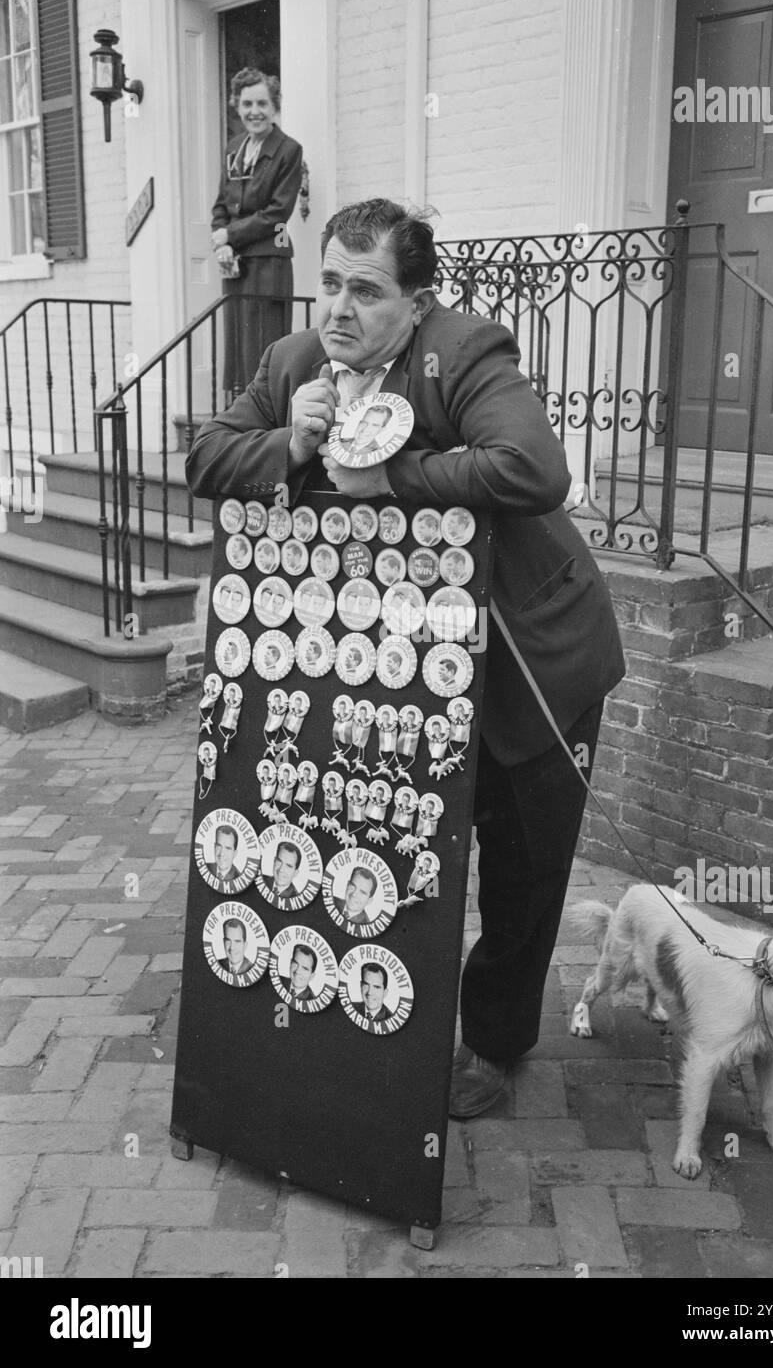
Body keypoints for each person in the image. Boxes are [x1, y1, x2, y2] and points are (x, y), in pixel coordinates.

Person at [188, 197, 625, 1118]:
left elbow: (534, 469)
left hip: (531, 662)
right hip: (400, 675)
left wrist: (394, 475)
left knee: (523, 869)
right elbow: (205, 457)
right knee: (401, 848)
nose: (339, 310)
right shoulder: (293, 362)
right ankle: (382, 1020)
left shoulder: (463, 353)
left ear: (418, 300)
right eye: (330, 286)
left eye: (368, 291)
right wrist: (293, 441)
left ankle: (497, 1045)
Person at [211, 67, 303, 395]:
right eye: (247, 104)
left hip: (269, 263)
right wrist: (220, 242)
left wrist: (230, 236)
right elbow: (221, 204)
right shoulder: (233, 148)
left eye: (262, 103)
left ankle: (266, 418)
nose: (255, 112)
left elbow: (278, 214)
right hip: (235, 266)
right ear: (237, 106)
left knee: (264, 346)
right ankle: (240, 421)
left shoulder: (288, 150)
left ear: (274, 105)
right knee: (237, 345)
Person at [263, 840, 303, 906]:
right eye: (279, 861)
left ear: (295, 873)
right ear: (274, 861)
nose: (281, 869)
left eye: (288, 866)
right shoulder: (262, 879)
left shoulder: (295, 899)